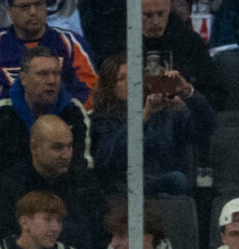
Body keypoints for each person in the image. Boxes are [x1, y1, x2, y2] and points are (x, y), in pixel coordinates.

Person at [0, 113, 104, 249]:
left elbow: (98, 237)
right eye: (57, 147)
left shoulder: (84, 183)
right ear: (34, 147)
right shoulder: (7, 186)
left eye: (69, 146)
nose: (66, 155)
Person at [0, 0, 97, 114]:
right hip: (6, 122)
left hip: (61, 122)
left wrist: (63, 116)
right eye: (24, 7)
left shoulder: (71, 43)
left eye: (39, 4)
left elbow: (89, 88)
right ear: (9, 10)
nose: (33, 12)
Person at [88, 53, 212, 199]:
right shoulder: (101, 119)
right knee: (176, 179)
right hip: (123, 191)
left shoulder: (166, 113)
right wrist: (144, 116)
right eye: (121, 79)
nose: (130, 82)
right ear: (110, 86)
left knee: (181, 181)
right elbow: (108, 157)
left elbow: (207, 126)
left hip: (168, 190)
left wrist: (187, 92)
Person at [0, 48, 93, 187]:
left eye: (56, 74)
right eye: (43, 74)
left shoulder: (74, 111)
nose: (52, 81)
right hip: (13, 197)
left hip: (63, 196)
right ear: (23, 79)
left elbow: (82, 168)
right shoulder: (0, 112)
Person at [139, 0, 225, 107]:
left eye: (161, 13)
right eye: (148, 15)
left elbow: (217, 95)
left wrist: (188, 92)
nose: (156, 21)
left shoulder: (190, 42)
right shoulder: (120, 42)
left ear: (169, 7)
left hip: (183, 119)